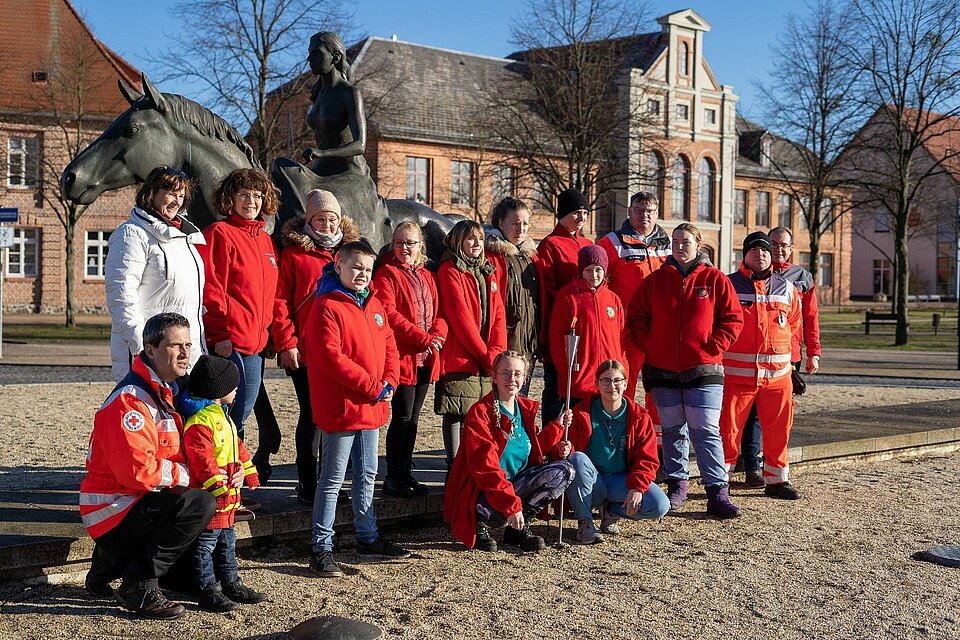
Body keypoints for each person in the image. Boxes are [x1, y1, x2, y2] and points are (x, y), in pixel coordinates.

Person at [79, 312, 215, 620]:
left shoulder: (164, 391)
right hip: (113, 511)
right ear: (150, 350)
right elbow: (138, 472)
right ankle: (138, 584)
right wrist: (194, 477)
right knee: (198, 503)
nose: (185, 353)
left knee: (194, 499)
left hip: (127, 505)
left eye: (189, 345)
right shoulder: (132, 401)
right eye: (175, 345)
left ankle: (109, 566)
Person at [305, 241, 409, 577]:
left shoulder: (374, 303)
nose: (362, 274)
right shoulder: (326, 306)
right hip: (344, 407)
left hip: (373, 405)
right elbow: (332, 359)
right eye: (356, 267)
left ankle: (368, 536)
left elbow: (390, 345)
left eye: (367, 268)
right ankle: (321, 548)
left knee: (367, 475)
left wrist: (390, 381)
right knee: (333, 479)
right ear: (339, 266)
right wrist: (374, 386)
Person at [628, 223, 744, 517]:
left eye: (686, 242)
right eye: (676, 242)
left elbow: (733, 319)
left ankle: (717, 491)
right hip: (662, 370)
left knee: (705, 429)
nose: (680, 247)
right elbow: (637, 317)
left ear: (698, 245)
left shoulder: (715, 279)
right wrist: (650, 344)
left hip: (704, 369)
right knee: (672, 431)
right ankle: (677, 485)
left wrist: (713, 345)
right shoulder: (655, 281)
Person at [272, 189, 360, 505]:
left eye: (331, 218)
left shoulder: (349, 252)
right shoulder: (294, 254)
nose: (326, 224)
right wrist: (286, 342)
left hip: (341, 349)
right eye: (319, 218)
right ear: (310, 220)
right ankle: (309, 484)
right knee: (312, 414)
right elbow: (280, 301)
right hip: (306, 350)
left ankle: (332, 483)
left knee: (336, 416)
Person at [444, 350, 575, 552]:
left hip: (514, 485)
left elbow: (531, 453)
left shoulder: (524, 409)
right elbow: (485, 468)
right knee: (488, 493)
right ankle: (479, 523)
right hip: (483, 490)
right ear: (494, 376)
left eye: (517, 374)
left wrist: (557, 430)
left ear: (525, 377)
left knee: (563, 470)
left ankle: (518, 529)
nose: (511, 379)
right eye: (505, 373)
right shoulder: (480, 412)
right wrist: (512, 505)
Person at [180, 354, 267, 612]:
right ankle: (207, 590)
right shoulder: (201, 421)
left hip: (227, 499)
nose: (238, 389)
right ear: (218, 389)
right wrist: (219, 489)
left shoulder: (223, 416)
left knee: (228, 543)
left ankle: (231, 583)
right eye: (233, 385)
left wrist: (248, 474)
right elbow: (202, 461)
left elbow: (237, 449)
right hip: (213, 498)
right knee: (205, 546)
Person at [738, 226, 822, 487]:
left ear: (791, 248)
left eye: (784, 245)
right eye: (773, 244)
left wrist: (813, 352)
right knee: (750, 413)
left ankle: (772, 467)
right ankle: (752, 464)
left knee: (780, 415)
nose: (778, 249)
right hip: (751, 358)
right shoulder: (743, 277)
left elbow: (807, 319)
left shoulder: (800, 277)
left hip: (785, 356)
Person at [720, 231, 802, 500]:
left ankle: (777, 481)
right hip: (735, 376)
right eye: (754, 250)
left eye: (765, 250)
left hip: (778, 378)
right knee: (728, 431)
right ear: (744, 255)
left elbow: (794, 327)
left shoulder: (787, 289)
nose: (760, 254)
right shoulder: (728, 285)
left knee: (778, 430)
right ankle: (721, 482)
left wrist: (793, 367)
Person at [201, 168, 280, 443]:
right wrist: (219, 334)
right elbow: (212, 289)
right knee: (229, 415)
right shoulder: (219, 234)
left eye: (257, 196)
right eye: (244, 195)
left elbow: (270, 294)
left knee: (242, 415)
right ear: (230, 198)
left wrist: (270, 334)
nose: (251, 202)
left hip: (257, 346)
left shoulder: (266, 240)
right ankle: (220, 475)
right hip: (230, 343)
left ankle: (233, 472)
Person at [105, 166, 205, 382]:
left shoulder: (185, 239)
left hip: (183, 355)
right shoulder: (132, 234)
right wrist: (143, 348)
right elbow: (121, 296)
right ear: (152, 193)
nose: (177, 201)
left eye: (181, 196)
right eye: (170, 193)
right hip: (152, 355)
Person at [372, 221, 447, 498]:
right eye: (399, 243)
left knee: (414, 418)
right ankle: (394, 475)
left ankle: (405, 471)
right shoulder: (387, 274)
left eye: (410, 243)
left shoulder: (428, 275)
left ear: (420, 246)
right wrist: (422, 338)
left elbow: (440, 311)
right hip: (403, 356)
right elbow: (389, 314)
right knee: (402, 417)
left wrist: (436, 335)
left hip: (426, 357)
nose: (404, 248)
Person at [564, 360, 671, 544]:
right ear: (597, 384)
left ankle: (611, 511)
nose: (611, 386)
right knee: (577, 459)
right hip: (591, 481)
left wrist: (637, 487)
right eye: (605, 381)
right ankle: (585, 524)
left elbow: (648, 459)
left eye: (617, 380)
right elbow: (567, 451)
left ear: (625, 383)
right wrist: (565, 448)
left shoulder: (639, 416)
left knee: (660, 505)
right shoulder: (581, 412)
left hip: (621, 480)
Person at [435, 220, 507, 474]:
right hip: (461, 355)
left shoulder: (488, 270)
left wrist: (496, 353)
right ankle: (454, 463)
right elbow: (460, 317)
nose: (476, 244)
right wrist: (485, 354)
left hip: (487, 358)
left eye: (479, 238)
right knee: (456, 410)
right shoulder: (450, 270)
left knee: (478, 413)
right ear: (458, 242)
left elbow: (498, 314)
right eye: (470, 239)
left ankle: (474, 463)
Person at [597, 191, 671, 402]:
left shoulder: (668, 243)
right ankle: (622, 424)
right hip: (626, 326)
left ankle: (656, 432)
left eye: (649, 211)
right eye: (639, 210)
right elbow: (599, 281)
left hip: (659, 326)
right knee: (624, 377)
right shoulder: (612, 242)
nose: (644, 215)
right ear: (629, 212)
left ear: (657, 213)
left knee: (659, 381)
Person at [535, 188, 594, 422]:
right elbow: (546, 292)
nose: (581, 218)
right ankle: (551, 442)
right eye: (576, 213)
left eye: (585, 213)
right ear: (562, 214)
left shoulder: (588, 244)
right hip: (561, 329)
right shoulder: (551, 244)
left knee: (582, 389)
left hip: (585, 329)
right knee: (556, 389)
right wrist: (549, 335)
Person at [548, 245, 625, 410]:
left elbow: (622, 339)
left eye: (598, 269)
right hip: (579, 380)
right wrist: (566, 370)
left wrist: (622, 371)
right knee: (579, 428)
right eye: (588, 270)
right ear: (581, 271)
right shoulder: (569, 297)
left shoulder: (613, 299)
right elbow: (556, 337)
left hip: (608, 381)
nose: (594, 275)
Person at [484, 196, 540, 396]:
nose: (521, 229)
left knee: (520, 401)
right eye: (515, 224)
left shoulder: (530, 256)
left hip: (527, 342)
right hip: (504, 342)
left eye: (525, 224)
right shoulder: (492, 254)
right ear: (501, 223)